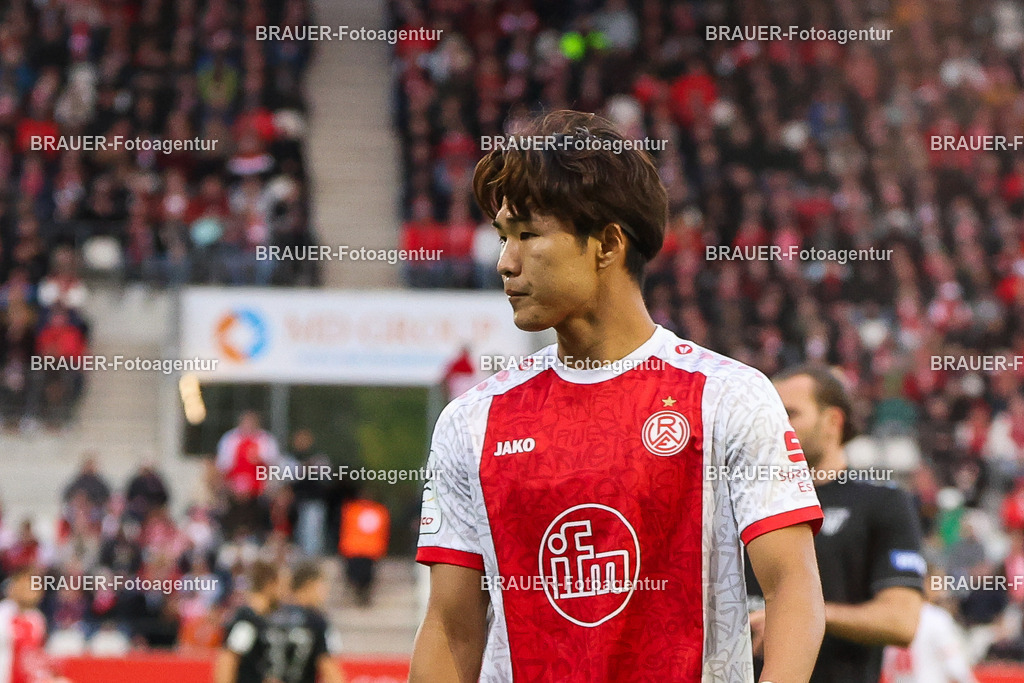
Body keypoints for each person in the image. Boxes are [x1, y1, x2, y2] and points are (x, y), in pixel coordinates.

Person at [410, 110, 826, 682]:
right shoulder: (471, 421)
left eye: (528, 236)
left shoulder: (728, 397)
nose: (506, 262)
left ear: (606, 242)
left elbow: (793, 589)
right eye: (504, 238)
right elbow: (451, 626)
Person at [746, 364, 926, 683]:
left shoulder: (882, 502)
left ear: (833, 421)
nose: (776, 427)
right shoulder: (744, 499)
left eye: (790, 414)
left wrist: (796, 613)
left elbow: (901, 620)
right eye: (770, 415)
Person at [881, 568, 976, 683]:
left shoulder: (892, 617)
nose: (943, 591)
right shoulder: (937, 618)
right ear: (925, 582)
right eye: (938, 583)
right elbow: (955, 666)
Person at [265, 561, 346, 683]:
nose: (326, 591)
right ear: (309, 585)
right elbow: (328, 668)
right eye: (322, 585)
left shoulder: (270, 616)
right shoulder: (316, 621)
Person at [213, 560, 283, 683]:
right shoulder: (248, 621)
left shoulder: (260, 620)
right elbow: (229, 659)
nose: (282, 593)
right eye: (280, 586)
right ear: (270, 585)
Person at [0, 565, 68, 683]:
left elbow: (35, 654)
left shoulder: (37, 619)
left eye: (35, 588)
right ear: (14, 587)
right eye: (26, 586)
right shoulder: (4, 614)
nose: (32, 592)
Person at [338, 492, 389, 606]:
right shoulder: (354, 510)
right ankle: (360, 594)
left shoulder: (353, 510)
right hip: (359, 549)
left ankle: (362, 594)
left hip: (364, 550)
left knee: (364, 576)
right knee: (358, 575)